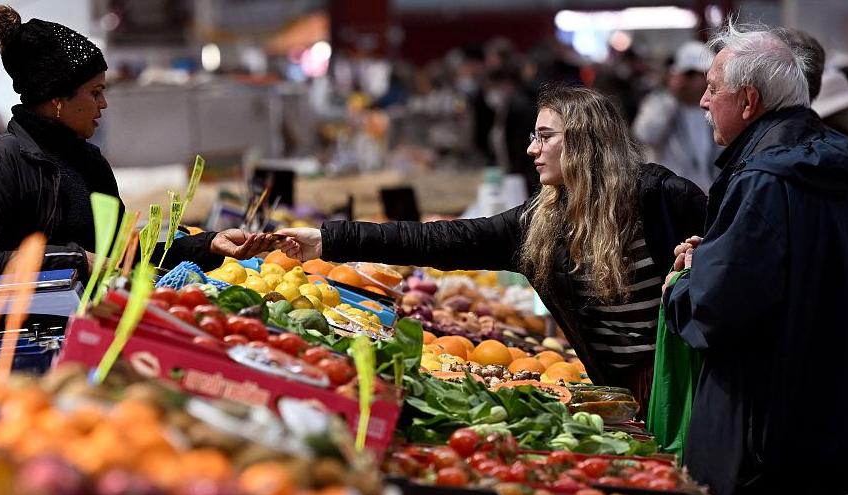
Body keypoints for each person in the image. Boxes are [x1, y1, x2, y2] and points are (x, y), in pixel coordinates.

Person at [277, 84, 706, 407]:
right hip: (622, 393)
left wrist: (703, 257)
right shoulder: (540, 223)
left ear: (583, 141)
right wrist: (327, 239)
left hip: (695, 380)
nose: (530, 148)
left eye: (544, 136)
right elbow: (440, 241)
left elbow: (736, 263)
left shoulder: (663, 197)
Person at [663, 21, 848, 495]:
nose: (704, 100)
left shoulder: (763, 180)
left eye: (713, 88)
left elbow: (720, 306)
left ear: (750, 101)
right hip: (841, 425)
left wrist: (687, 278)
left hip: (772, 439)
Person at [0, 5, 278, 281]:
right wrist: (77, 260)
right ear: (57, 98)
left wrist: (208, 243)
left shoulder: (89, 162)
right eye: (95, 92)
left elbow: (125, 253)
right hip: (30, 335)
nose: (103, 104)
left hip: (101, 319)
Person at [633, 41, 723, 192]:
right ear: (685, 77)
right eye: (702, 75)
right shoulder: (660, 103)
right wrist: (672, 95)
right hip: (671, 196)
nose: (708, 81)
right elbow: (644, 135)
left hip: (707, 193)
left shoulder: (711, 107)